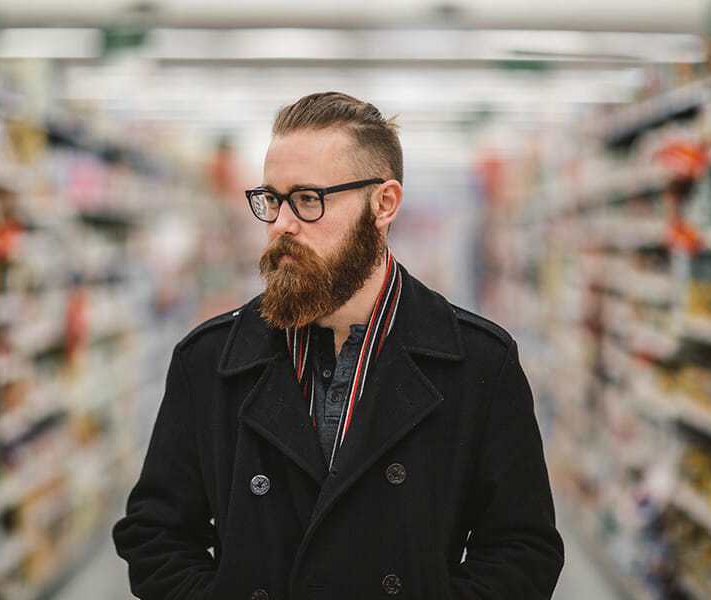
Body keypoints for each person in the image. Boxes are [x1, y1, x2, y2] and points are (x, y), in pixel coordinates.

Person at [113, 91, 564, 599]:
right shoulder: (209, 360)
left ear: (383, 204)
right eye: (273, 199)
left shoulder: (479, 363)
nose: (282, 223)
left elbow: (522, 550)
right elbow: (155, 536)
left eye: (308, 199)